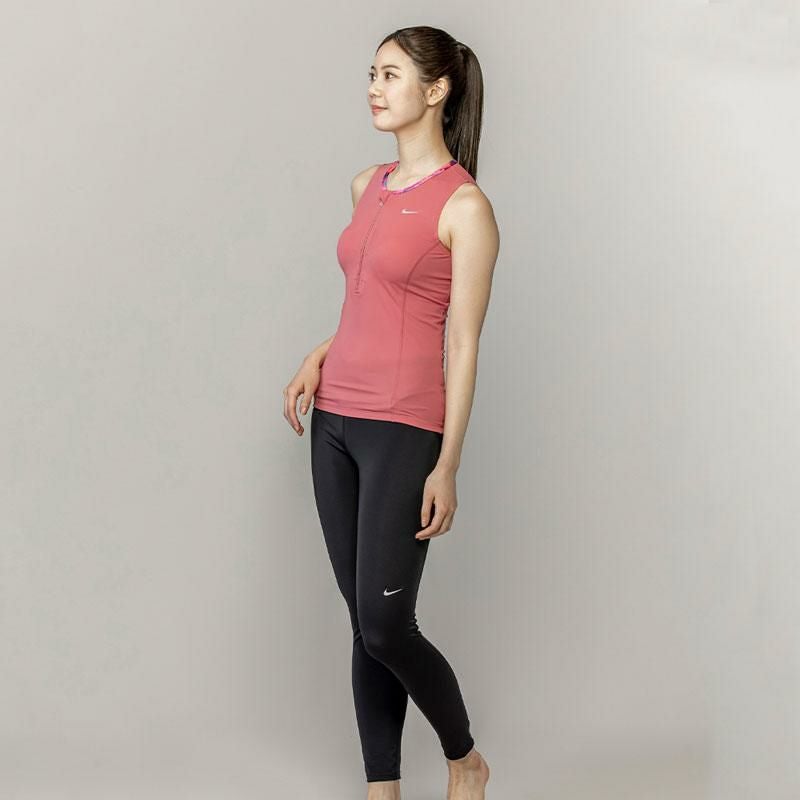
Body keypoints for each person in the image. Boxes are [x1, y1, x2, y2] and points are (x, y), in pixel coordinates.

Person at [283, 25, 499, 800]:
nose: (375, 88)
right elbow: (369, 301)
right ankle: (383, 787)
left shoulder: (465, 206)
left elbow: (461, 343)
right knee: (361, 623)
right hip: (333, 423)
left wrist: (448, 463)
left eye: (392, 75)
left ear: (437, 90)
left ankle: (465, 757)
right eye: (372, 73)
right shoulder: (365, 185)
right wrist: (321, 352)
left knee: (386, 625)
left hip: (404, 431)